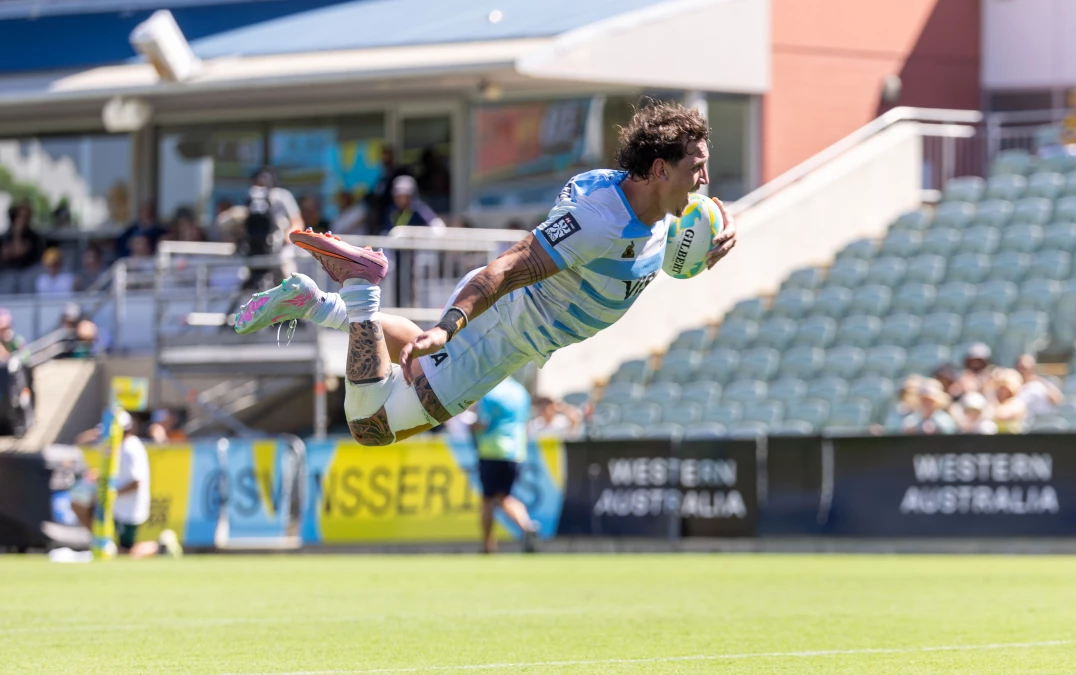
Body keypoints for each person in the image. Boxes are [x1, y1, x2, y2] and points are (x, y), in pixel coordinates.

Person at [233, 100, 737, 446]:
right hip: (500, 335)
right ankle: (360, 288)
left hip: (513, 335)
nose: (705, 179)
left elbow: (653, 257)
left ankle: (313, 302)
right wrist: (450, 326)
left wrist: (707, 244)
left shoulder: (647, 207)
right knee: (370, 426)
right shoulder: (598, 221)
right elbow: (508, 268)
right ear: (658, 170)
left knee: (408, 349)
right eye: (697, 166)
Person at [72, 410, 181, 558]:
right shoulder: (118, 446)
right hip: (117, 506)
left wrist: (113, 494)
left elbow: (136, 481)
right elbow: (81, 440)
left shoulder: (130, 448)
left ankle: (160, 546)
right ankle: (103, 543)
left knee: (125, 552)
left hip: (128, 508)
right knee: (80, 505)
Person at [469, 377, 537, 554]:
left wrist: (469, 426)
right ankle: (527, 526)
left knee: (488, 499)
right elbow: (527, 424)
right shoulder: (521, 392)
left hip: (492, 450)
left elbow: (483, 423)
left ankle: (488, 545)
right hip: (516, 451)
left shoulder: (489, 391)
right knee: (505, 495)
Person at [1, 201, 44, 293]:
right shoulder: (6, 236)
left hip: (28, 271)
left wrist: (18, 234)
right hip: (8, 272)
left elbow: (19, 251)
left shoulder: (33, 237)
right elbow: (5, 254)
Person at [1014, 353, 1063, 419]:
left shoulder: (1039, 385)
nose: (1022, 371)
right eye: (1019, 368)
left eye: (1025, 368)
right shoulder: (1010, 385)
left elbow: (1057, 400)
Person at [989, 368, 1028, 434]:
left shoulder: (1017, 403)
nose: (1003, 391)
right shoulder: (994, 401)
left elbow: (1001, 416)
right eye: (1001, 388)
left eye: (1005, 388)